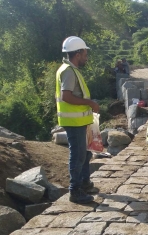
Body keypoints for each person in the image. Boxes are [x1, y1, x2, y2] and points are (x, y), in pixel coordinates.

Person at [56, 36, 100, 204]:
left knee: (86, 152)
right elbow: (66, 96)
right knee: (78, 155)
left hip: (79, 120)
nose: (86, 56)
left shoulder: (70, 70)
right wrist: (89, 103)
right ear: (78, 53)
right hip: (73, 122)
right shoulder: (68, 71)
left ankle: (85, 183)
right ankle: (75, 191)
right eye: (85, 53)